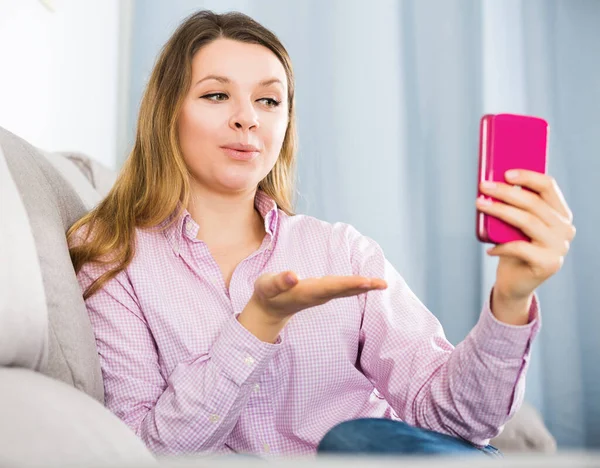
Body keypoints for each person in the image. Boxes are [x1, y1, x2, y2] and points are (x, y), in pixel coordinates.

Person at [68, 10, 575, 459]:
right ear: (167, 113)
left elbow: (457, 420)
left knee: (355, 442)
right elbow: (147, 448)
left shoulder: (341, 250)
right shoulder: (115, 257)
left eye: (269, 101)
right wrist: (258, 323)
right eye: (217, 94)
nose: (247, 117)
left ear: (286, 123)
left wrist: (511, 299)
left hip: (392, 453)